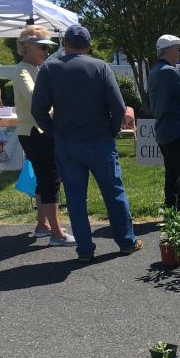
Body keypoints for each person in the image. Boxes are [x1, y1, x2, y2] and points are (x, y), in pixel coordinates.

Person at [32, 24, 141, 262]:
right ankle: (126, 241)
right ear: (88, 46)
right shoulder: (100, 67)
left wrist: (54, 132)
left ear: (65, 44)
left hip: (67, 143)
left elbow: (37, 110)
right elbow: (119, 107)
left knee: (75, 198)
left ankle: (84, 250)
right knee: (114, 193)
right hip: (99, 140)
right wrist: (111, 131)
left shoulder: (49, 68)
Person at [13, 25, 75, 246]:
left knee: (44, 179)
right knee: (50, 181)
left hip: (38, 132)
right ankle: (57, 234)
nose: (46, 51)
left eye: (47, 47)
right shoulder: (22, 71)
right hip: (35, 132)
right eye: (42, 47)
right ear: (27, 47)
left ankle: (43, 225)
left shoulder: (36, 68)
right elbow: (37, 99)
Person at [148, 34, 180, 209]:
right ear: (168, 50)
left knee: (172, 173)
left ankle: (170, 207)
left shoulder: (154, 71)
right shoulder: (169, 72)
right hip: (176, 130)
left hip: (163, 130)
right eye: (178, 49)